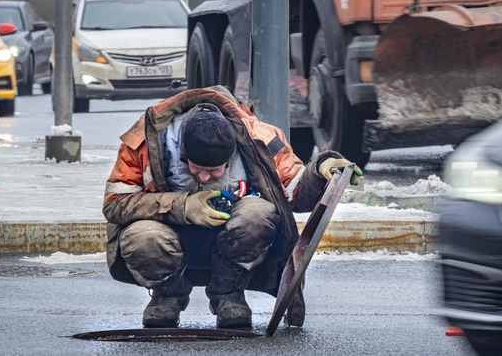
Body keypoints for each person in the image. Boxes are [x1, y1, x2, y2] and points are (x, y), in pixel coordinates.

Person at [102, 86, 362, 329]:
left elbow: (295, 193)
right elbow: (115, 204)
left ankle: (229, 296)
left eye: (213, 171)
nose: (204, 178)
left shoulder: (261, 139)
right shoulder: (146, 140)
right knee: (142, 236)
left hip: (232, 240)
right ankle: (166, 297)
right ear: (182, 152)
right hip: (169, 234)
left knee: (259, 213)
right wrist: (184, 205)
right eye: (196, 169)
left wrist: (320, 169)